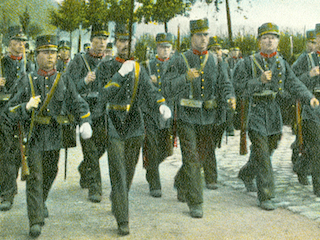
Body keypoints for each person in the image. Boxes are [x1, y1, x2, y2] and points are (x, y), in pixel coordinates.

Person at [4, 34, 92, 237]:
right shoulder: (27, 81)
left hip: (55, 135)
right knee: (35, 177)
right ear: (37, 55)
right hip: (33, 136)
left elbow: (78, 103)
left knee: (51, 172)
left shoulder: (64, 80)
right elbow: (9, 111)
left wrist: (85, 121)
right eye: (46, 53)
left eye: (53, 53)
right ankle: (35, 220)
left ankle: (40, 201)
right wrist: (25, 107)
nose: (51, 57)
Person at [96, 22, 171, 236]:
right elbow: (103, 96)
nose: (125, 45)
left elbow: (150, 91)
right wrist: (120, 75)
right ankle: (123, 219)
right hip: (114, 122)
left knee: (128, 171)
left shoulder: (139, 67)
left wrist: (161, 104)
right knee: (118, 172)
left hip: (135, 123)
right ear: (115, 42)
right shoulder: (106, 66)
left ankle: (118, 199)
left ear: (134, 43)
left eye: (128, 41)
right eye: (121, 41)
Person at [233, 22, 319, 211]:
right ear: (259, 42)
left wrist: (309, 98)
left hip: (274, 111)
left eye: (273, 37)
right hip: (254, 110)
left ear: (278, 42)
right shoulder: (248, 62)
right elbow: (238, 87)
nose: (269, 41)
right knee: (263, 153)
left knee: (269, 148)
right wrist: (258, 81)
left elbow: (294, 84)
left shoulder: (281, 63)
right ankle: (266, 195)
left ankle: (246, 174)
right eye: (265, 38)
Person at [172, 18, 236, 218]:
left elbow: (225, 83)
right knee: (191, 158)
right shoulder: (179, 59)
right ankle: (196, 202)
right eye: (199, 35)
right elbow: (167, 85)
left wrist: (230, 96)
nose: (203, 39)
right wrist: (184, 78)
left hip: (208, 117)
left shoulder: (217, 60)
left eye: (205, 35)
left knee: (199, 157)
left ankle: (182, 183)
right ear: (192, 37)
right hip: (186, 117)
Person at [67, 22, 109, 203]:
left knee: (103, 145)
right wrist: (84, 81)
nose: (102, 42)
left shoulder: (109, 62)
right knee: (90, 149)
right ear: (91, 41)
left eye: (105, 39)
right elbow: (68, 88)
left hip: (102, 110)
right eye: (98, 38)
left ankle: (84, 170)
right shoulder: (78, 60)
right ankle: (95, 187)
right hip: (84, 111)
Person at [141, 32, 184, 198]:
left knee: (166, 149)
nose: (164, 50)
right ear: (156, 48)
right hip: (151, 112)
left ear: (172, 49)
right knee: (151, 146)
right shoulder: (147, 65)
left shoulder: (177, 66)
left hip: (170, 112)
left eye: (167, 47)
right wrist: (148, 81)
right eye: (161, 47)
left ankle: (151, 167)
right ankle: (154, 180)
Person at [0, 26, 30, 211]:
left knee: (20, 154)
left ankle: (7, 186)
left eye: (22, 42)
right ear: (8, 43)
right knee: (7, 153)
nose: (20, 45)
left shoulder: (30, 64)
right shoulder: (1, 63)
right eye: (16, 41)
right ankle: (7, 193)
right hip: (3, 112)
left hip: (24, 113)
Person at [291, 24, 320, 195]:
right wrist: (309, 74)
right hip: (312, 107)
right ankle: (318, 185)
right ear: (315, 38)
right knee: (317, 146)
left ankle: (301, 167)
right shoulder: (306, 59)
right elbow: (292, 81)